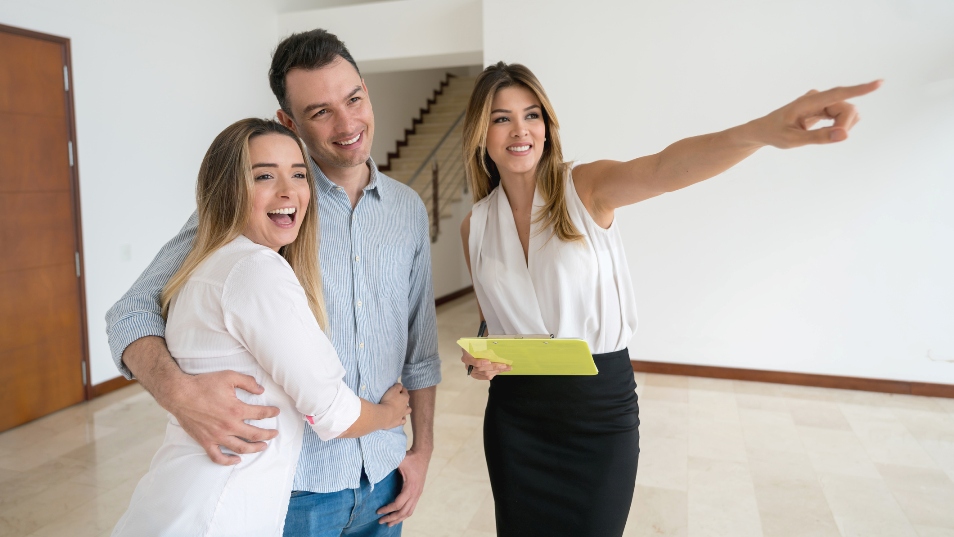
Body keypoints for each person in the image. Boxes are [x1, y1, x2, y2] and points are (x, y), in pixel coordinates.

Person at [459, 62, 880, 536]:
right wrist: (479, 357)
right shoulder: (475, 225)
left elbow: (666, 167)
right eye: (502, 118)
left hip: (597, 413)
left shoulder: (585, 186)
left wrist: (760, 131)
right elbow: (491, 320)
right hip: (515, 418)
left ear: (546, 125)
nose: (520, 130)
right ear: (480, 133)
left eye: (532, 115)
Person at [105, 30, 440, 536]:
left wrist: (423, 449)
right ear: (289, 122)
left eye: (353, 100)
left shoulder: (407, 209)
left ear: (366, 93)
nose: (347, 124)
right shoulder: (255, 212)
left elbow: (420, 348)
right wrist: (181, 394)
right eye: (320, 111)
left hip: (383, 477)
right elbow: (130, 312)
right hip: (292, 492)